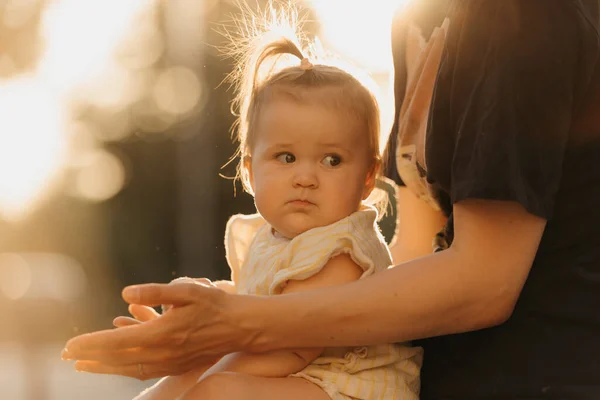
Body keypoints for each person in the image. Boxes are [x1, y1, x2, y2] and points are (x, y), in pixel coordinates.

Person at [63, 1, 600, 398]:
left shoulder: (522, 17)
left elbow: (486, 282)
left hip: (532, 375)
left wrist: (227, 333)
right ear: (250, 169)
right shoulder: (414, 20)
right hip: (437, 368)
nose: (306, 176)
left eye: (332, 161)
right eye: (287, 158)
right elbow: (413, 248)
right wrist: (203, 327)